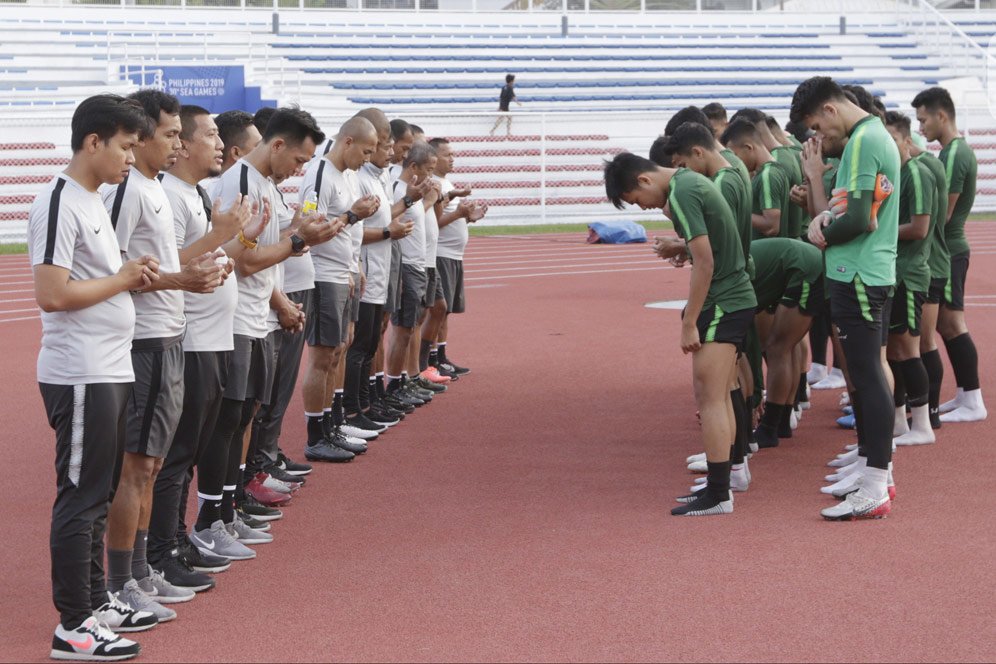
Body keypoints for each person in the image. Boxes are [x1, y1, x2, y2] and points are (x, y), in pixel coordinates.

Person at [32, 93, 156, 662]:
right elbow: (53, 295)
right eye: (127, 146)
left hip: (108, 368)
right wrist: (125, 279)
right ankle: (72, 625)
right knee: (81, 498)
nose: (132, 157)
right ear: (93, 142)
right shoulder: (59, 201)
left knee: (99, 494)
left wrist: (133, 278)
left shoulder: (91, 201)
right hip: (81, 373)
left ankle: (94, 604)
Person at [101, 89, 230, 622]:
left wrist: (202, 258)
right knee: (137, 466)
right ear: (142, 134)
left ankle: (140, 569)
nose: (178, 144)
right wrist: (184, 276)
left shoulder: (151, 186)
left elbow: (164, 262)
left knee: (151, 465)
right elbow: (109, 274)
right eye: (171, 134)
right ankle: (121, 579)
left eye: (182, 133)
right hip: (144, 343)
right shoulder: (130, 190)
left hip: (169, 336)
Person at [204, 108, 338, 541]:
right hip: (237, 319)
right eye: (299, 161)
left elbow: (269, 255)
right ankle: (215, 516)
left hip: (258, 315)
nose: (300, 169)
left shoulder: (263, 183)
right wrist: (299, 240)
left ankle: (232, 503)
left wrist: (298, 235)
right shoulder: (240, 182)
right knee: (230, 419)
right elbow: (243, 262)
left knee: (245, 415)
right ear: (277, 145)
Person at [148, 104, 264, 586]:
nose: (218, 144)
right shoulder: (168, 195)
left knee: (190, 450)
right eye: (209, 135)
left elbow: (206, 254)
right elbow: (165, 263)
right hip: (189, 339)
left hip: (211, 339)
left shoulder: (192, 194)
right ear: (182, 148)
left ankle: (176, 540)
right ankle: (162, 548)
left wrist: (238, 241)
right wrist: (221, 234)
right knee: (175, 454)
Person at [605, 153, 756, 516]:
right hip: (731, 297)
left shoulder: (683, 191)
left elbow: (705, 261)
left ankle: (720, 494)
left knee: (710, 398)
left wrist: (689, 320)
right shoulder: (691, 183)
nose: (644, 206)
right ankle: (726, 481)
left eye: (636, 199)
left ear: (644, 180)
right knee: (720, 394)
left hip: (723, 300)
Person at [791, 76, 901, 520]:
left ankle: (875, 482)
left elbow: (859, 219)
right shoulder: (871, 136)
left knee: (868, 374)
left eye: (818, 126)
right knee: (867, 371)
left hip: (857, 271)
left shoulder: (862, 141)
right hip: (863, 269)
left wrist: (821, 232)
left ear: (831, 110)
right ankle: (874, 472)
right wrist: (826, 220)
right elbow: (855, 211)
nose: (818, 138)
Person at [657, 122, 755, 490]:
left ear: (697, 152)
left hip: (729, 290)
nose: (681, 171)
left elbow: (712, 248)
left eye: (682, 163)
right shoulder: (732, 173)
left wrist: (682, 244)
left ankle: (731, 470)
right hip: (737, 284)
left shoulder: (720, 182)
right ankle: (730, 466)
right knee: (727, 385)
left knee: (722, 389)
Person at [298, 116, 382, 461]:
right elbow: (309, 227)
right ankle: (316, 435)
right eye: (366, 151)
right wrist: (352, 214)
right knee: (323, 355)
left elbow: (350, 232)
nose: (368, 158)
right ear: (347, 141)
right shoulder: (319, 172)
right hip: (322, 274)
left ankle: (332, 425)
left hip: (343, 273)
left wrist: (355, 266)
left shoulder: (346, 176)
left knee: (339, 350)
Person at [912, 86, 987, 422]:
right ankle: (965, 395)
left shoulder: (955, 153)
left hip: (950, 249)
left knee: (952, 324)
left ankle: (972, 399)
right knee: (946, 324)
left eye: (924, 119)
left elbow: (942, 212)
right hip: (949, 248)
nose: (921, 127)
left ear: (941, 115)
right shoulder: (950, 152)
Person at [347, 108, 413, 427]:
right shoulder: (356, 178)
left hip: (379, 272)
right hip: (361, 274)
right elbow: (346, 229)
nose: (388, 152)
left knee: (371, 342)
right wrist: (388, 231)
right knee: (358, 347)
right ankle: (353, 410)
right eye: (384, 145)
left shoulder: (379, 176)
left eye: (387, 145)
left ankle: (366, 403)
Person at [881, 111, 936, 447]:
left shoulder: (915, 173)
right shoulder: (898, 172)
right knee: (893, 352)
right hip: (896, 273)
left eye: (892, 140)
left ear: (906, 139)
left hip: (910, 275)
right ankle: (900, 420)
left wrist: (878, 230)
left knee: (908, 350)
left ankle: (924, 424)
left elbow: (920, 228)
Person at [748, 238, 824, 449]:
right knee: (784, 346)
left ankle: (772, 427)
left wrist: (753, 400)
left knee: (778, 348)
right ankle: (781, 423)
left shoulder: (724, 283)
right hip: (799, 266)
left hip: (804, 268)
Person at [427, 137, 485, 378]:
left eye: (453, 154)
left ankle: (440, 356)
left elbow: (453, 216)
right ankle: (430, 358)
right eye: (446, 154)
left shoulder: (447, 183)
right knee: (437, 310)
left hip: (453, 256)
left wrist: (469, 216)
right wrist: (459, 214)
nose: (452, 159)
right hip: (440, 255)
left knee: (445, 310)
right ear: (433, 157)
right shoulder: (433, 185)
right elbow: (432, 223)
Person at [386, 142, 439, 404]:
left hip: (417, 265)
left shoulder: (415, 193)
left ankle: (405, 380)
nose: (431, 176)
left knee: (410, 327)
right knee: (403, 328)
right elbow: (389, 221)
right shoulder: (399, 189)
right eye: (428, 170)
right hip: (406, 265)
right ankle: (395, 386)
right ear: (413, 166)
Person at [908, 127, 950, 430]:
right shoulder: (922, 166)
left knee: (923, 343)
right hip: (926, 261)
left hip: (929, 264)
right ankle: (919, 410)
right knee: (916, 345)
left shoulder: (923, 168)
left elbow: (926, 224)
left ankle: (929, 414)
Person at [721, 118, 794, 240]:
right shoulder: (767, 172)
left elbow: (772, 227)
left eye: (735, 155)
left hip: (769, 255)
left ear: (748, 147)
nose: (735, 161)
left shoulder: (768, 175)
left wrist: (735, 211)